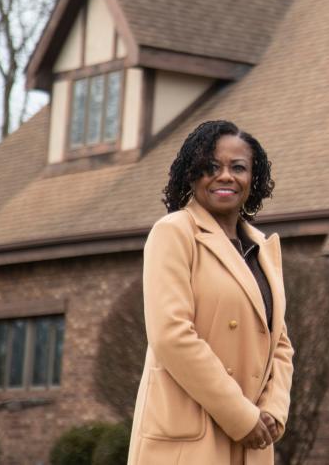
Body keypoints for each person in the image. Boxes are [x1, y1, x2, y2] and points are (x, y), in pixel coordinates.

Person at [127, 120, 294, 465]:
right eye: (211, 166)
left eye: (238, 167)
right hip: (189, 439)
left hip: (253, 441)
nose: (225, 176)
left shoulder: (262, 248)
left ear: (254, 178)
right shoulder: (174, 233)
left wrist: (273, 411)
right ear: (192, 174)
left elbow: (279, 343)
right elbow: (171, 335)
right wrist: (241, 416)